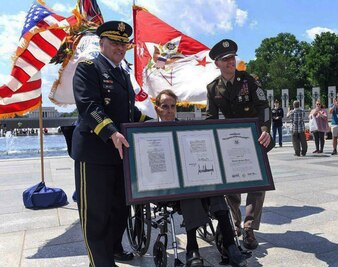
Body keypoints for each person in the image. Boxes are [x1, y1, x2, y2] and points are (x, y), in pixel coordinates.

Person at [71, 21, 151, 267]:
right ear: (102, 43)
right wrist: (111, 131)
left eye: (123, 43)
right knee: (96, 214)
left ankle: (114, 248)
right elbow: (88, 106)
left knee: (119, 209)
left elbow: (128, 111)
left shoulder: (122, 73)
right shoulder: (88, 68)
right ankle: (100, 262)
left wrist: (154, 123)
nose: (120, 47)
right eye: (115, 42)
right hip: (95, 153)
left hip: (121, 154)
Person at [153, 89, 247, 267]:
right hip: (166, 183)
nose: (169, 110)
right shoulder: (147, 131)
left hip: (190, 179)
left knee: (214, 190)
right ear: (157, 109)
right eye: (165, 106)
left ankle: (230, 245)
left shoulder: (186, 128)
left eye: (173, 106)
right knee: (191, 191)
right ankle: (192, 247)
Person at [206, 39, 274, 250]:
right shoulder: (213, 88)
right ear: (217, 63)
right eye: (225, 60)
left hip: (254, 139)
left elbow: (263, 106)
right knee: (231, 188)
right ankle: (235, 225)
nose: (230, 62)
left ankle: (249, 227)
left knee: (257, 185)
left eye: (232, 58)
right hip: (229, 142)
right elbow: (210, 117)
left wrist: (265, 130)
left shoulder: (249, 81)